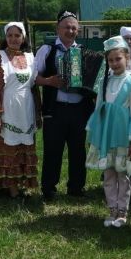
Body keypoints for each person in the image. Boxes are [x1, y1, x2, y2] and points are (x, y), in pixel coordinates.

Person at [85, 36, 131, 227]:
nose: (115, 63)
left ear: (127, 58)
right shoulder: (104, 81)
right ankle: (111, 209)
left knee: (122, 175)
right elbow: (98, 110)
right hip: (106, 135)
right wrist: (93, 135)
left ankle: (122, 211)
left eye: (118, 59)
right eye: (111, 60)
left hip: (123, 136)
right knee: (109, 174)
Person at [35, 10, 94, 199]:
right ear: (57, 29)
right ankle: (49, 188)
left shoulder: (84, 52)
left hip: (79, 109)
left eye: (74, 28)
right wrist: (48, 81)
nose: (70, 31)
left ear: (78, 30)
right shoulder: (47, 50)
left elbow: (93, 81)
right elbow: (33, 78)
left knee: (78, 150)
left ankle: (76, 187)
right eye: (66, 27)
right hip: (55, 108)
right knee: (53, 149)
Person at [0, 22, 39, 197]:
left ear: (23, 38)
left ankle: (22, 181)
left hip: (26, 107)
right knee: (7, 146)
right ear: (5, 37)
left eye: (17, 35)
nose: (14, 39)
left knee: (25, 144)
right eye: (10, 35)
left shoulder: (31, 57)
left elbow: (34, 87)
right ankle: (11, 187)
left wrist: (38, 112)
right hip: (7, 106)